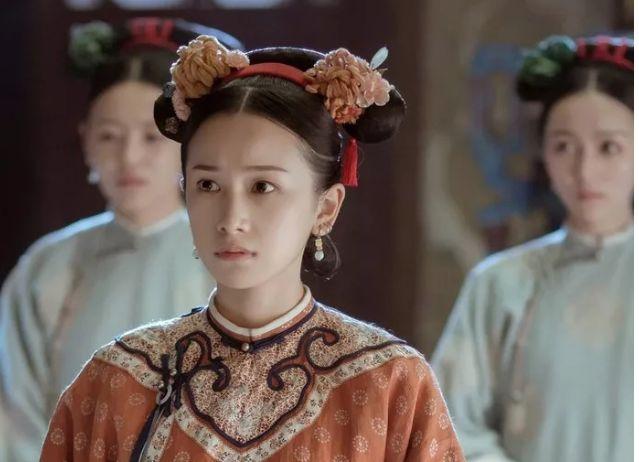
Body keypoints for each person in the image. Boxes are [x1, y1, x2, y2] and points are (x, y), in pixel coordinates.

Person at [40, 37, 464, 461]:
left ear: (325, 208)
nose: (231, 218)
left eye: (262, 186)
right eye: (208, 185)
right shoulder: (118, 378)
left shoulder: (390, 384)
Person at [0, 18, 243, 461]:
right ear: (85, 140)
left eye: (151, 138)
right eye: (110, 136)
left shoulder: (231, 258)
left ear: (188, 144)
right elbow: (16, 417)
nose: (129, 157)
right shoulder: (48, 266)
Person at [432, 35, 633, 461]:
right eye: (564, 146)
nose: (584, 170)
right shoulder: (501, 284)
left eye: (609, 147)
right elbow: (449, 425)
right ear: (543, 152)